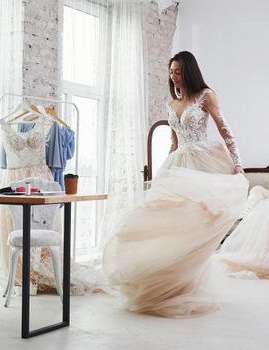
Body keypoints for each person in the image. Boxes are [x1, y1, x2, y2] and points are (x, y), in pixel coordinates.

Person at [102, 51, 248, 318]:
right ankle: (168, 283)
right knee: (167, 222)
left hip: (203, 161)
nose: (174, 76)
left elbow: (225, 129)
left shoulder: (206, 96)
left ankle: (187, 283)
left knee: (193, 224)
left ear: (189, 71)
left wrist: (237, 163)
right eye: (171, 72)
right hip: (178, 163)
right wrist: (163, 174)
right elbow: (173, 142)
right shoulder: (172, 105)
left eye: (178, 71)